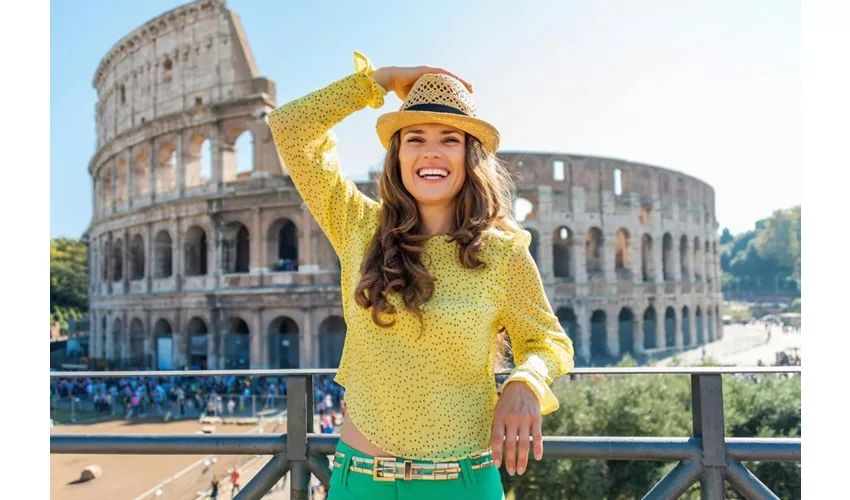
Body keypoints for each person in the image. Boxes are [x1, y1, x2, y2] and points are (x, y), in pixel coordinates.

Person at [268, 52, 574, 499]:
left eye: (449, 139)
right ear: (398, 156)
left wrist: (525, 380)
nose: (431, 151)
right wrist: (382, 80)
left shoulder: (504, 252)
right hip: (361, 483)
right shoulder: (357, 227)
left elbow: (549, 342)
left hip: (465, 484)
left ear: (470, 157)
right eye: (415, 138)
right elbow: (290, 128)